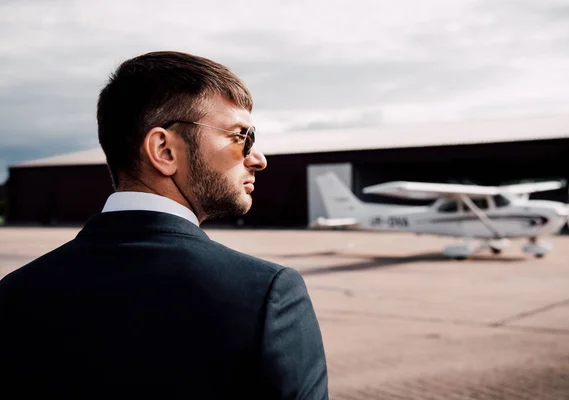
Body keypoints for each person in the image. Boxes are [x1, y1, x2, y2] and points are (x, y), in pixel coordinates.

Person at [0, 51, 329, 399]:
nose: (258, 159)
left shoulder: (14, 293)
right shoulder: (269, 294)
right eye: (239, 136)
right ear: (164, 150)